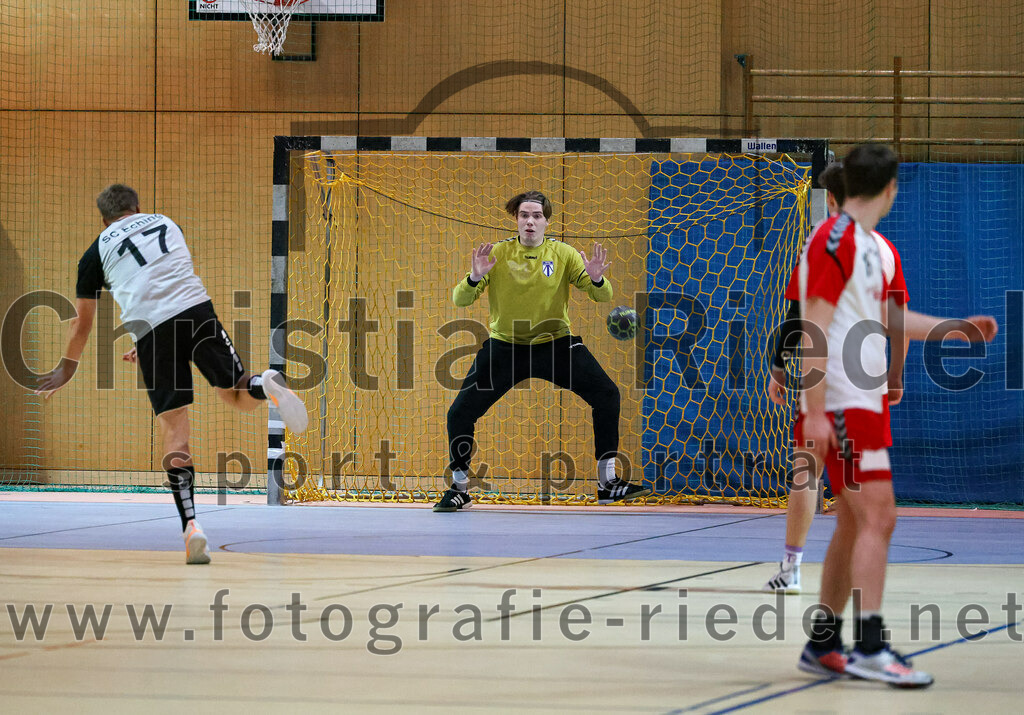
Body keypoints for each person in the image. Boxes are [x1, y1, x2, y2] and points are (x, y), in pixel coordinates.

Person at [791, 145, 996, 686]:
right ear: (890, 189)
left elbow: (885, 314)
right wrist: (814, 411)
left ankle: (825, 643)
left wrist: (954, 329)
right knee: (880, 516)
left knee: (857, 520)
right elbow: (811, 326)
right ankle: (870, 647)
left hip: (859, 403)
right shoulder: (835, 240)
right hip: (840, 402)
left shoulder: (862, 245)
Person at [35, 184, 308, 564]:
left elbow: (82, 323)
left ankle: (192, 526)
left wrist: (68, 367)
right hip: (196, 312)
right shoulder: (166, 222)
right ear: (137, 207)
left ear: (103, 219)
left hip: (152, 332)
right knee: (237, 394)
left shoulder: (95, 251)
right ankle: (265, 384)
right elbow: (163, 276)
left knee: (175, 431)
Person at [435, 190, 649, 511]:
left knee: (607, 394)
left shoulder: (563, 254)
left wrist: (596, 279)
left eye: (536, 216)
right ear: (517, 220)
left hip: (555, 345)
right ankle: (460, 488)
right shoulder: (497, 254)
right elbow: (460, 300)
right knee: (460, 413)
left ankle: (608, 483)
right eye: (524, 215)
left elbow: (601, 297)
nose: (530, 221)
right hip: (505, 347)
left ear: (547, 221)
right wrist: (474, 276)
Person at [763, 161, 910, 594]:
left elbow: (798, 316)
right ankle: (855, 620)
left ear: (831, 199)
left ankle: (794, 567)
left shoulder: (821, 246)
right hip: (865, 382)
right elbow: (896, 321)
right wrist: (896, 376)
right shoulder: (885, 250)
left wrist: (778, 364)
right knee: (860, 498)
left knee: (811, 474)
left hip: (829, 382)